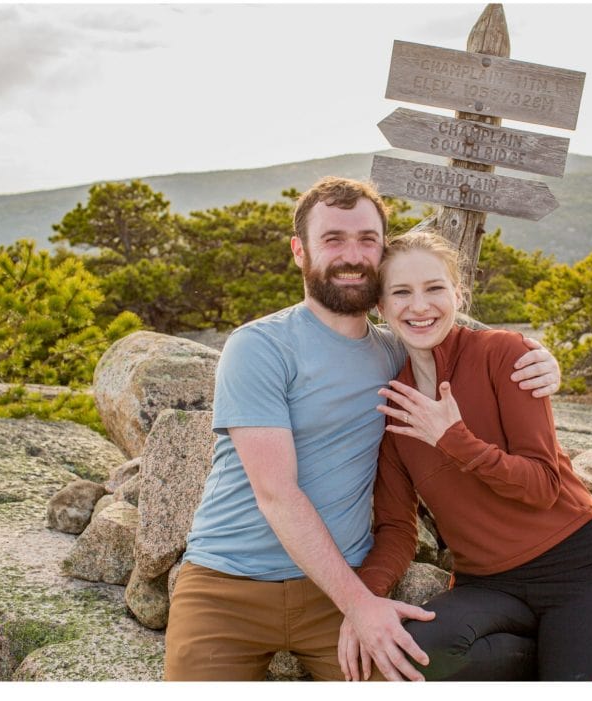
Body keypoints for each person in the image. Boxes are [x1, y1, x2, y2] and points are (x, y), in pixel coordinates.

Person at [164, 177, 562, 681]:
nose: (352, 256)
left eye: (367, 240)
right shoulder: (260, 347)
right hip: (227, 585)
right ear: (299, 251)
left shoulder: (399, 351)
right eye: (333, 240)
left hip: (336, 584)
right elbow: (276, 493)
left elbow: (462, 331)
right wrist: (362, 604)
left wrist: (544, 359)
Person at [340, 231, 592, 682]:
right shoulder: (394, 408)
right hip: (488, 584)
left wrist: (453, 438)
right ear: (381, 307)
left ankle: (566, 650)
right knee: (413, 656)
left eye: (434, 288)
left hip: (580, 570)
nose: (419, 306)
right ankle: (545, 656)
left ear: (458, 295)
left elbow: (542, 486)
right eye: (401, 292)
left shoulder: (505, 355)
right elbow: (397, 529)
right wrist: (361, 603)